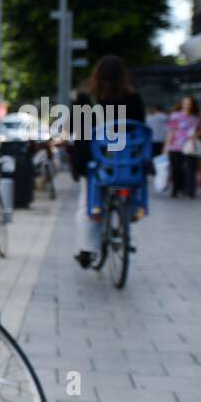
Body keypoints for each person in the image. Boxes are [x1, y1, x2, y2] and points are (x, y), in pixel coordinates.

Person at [68, 55, 145, 270]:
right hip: (128, 162)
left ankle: (87, 249)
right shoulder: (134, 98)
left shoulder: (86, 99)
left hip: (97, 162)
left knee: (87, 202)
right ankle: (126, 220)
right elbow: (140, 129)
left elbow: (80, 132)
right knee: (126, 188)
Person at [166, 97, 201, 199]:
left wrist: (195, 136)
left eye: (189, 104)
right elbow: (171, 131)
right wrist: (166, 147)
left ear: (193, 105)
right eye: (185, 103)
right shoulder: (175, 116)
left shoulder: (196, 117)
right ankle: (176, 189)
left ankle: (190, 191)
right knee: (175, 169)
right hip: (176, 146)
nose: (186, 106)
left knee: (190, 169)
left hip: (190, 146)